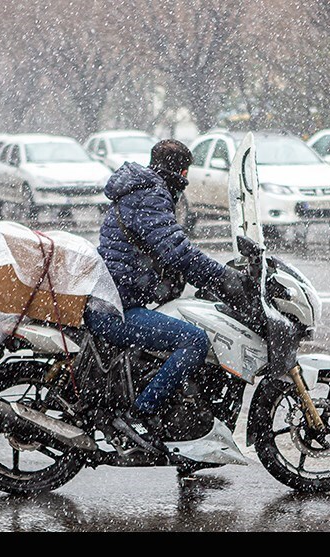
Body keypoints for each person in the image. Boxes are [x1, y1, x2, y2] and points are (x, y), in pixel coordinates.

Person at [84, 139, 251, 453]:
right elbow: (177, 251)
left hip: (113, 297)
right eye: (185, 172)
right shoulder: (151, 194)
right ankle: (140, 414)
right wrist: (222, 277)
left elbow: (167, 250)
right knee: (195, 341)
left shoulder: (139, 190)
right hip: (114, 307)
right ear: (182, 170)